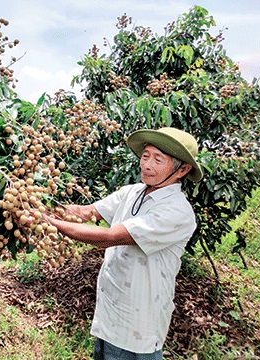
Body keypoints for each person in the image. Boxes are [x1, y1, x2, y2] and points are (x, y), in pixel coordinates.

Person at [40, 127, 203, 359]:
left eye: (158, 159)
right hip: (111, 312)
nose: (147, 165)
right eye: (145, 156)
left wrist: (49, 222)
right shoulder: (133, 192)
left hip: (139, 322)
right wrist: (40, 206)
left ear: (183, 170)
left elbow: (110, 237)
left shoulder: (177, 211)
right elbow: (87, 212)